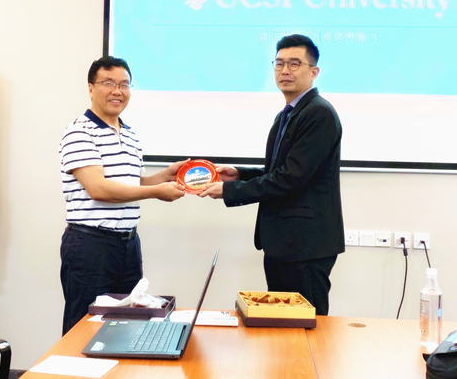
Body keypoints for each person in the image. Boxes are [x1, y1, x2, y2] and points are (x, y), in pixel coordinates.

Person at [199, 34, 344, 315]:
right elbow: (281, 171)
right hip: (284, 243)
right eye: (279, 64)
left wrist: (229, 191)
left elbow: (291, 178)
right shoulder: (288, 114)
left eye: (294, 63)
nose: (285, 70)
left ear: (314, 71)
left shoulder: (319, 113)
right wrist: (239, 174)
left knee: (303, 324)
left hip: (305, 245)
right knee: (282, 321)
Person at [58, 56, 186, 334]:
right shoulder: (79, 132)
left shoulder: (130, 135)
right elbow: (99, 189)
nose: (117, 91)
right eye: (108, 83)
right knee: (84, 328)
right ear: (91, 88)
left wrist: (167, 175)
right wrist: (156, 192)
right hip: (91, 245)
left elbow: (132, 184)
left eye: (124, 85)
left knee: (127, 326)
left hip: (128, 246)